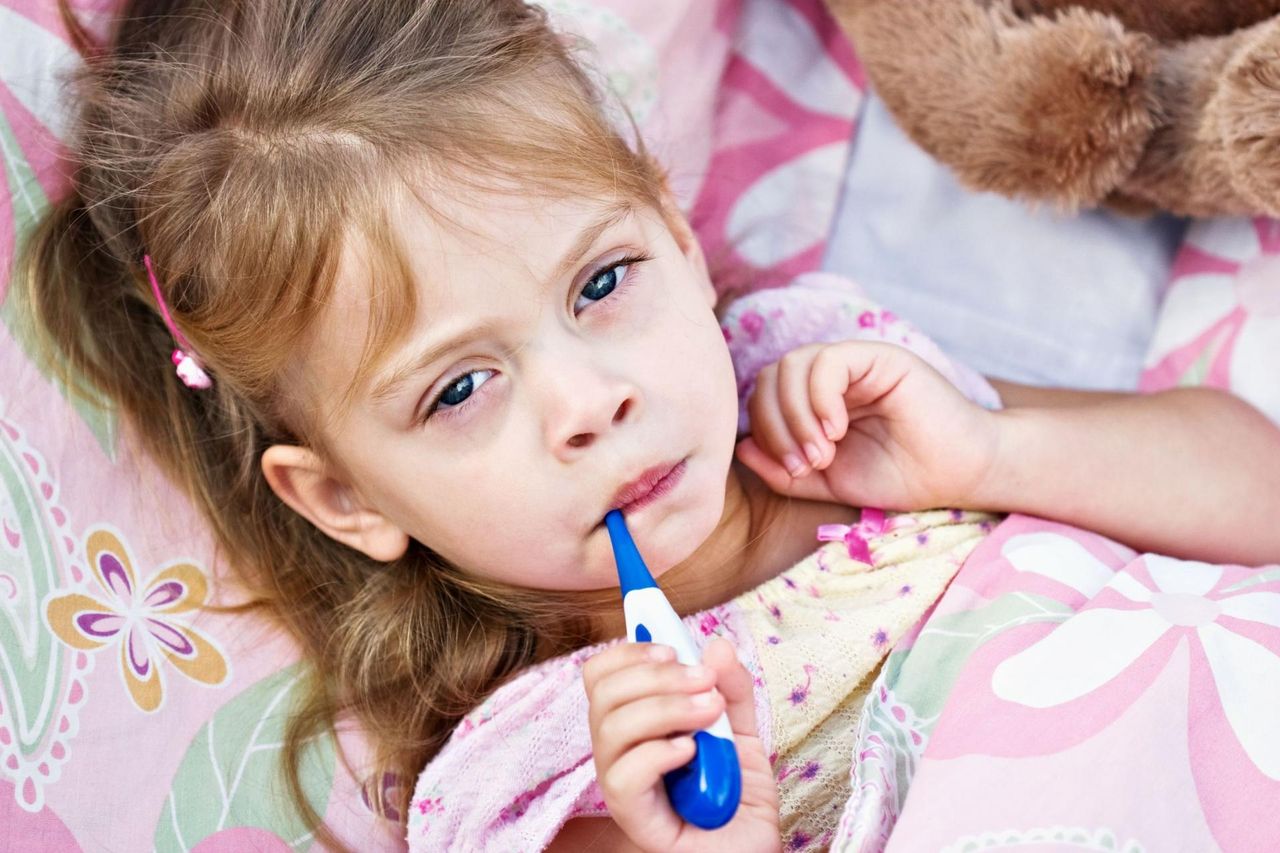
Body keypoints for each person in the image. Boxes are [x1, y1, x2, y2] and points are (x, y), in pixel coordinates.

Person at [19, 1, 1280, 851]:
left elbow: (1255, 488)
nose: (588, 401)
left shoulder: (844, 384)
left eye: (602, 284)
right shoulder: (551, 763)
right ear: (345, 499)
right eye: (459, 390)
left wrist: (992, 453)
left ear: (676, 233)